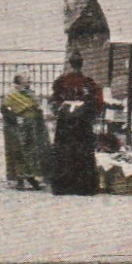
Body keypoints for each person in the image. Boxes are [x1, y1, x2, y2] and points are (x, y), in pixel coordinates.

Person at [49, 52, 103, 195]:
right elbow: (97, 103)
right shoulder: (88, 83)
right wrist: (87, 111)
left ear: (70, 64)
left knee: (64, 152)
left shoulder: (60, 81)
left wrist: (62, 110)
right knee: (82, 151)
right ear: (81, 64)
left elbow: (54, 101)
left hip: (65, 123)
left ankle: (63, 185)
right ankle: (83, 186)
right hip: (82, 123)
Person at [0, 74, 51, 190]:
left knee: (33, 152)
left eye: (29, 78)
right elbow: (5, 109)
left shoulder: (30, 93)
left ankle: (34, 177)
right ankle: (21, 178)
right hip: (19, 127)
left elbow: (37, 107)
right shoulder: (11, 94)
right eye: (26, 79)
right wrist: (15, 119)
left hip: (32, 126)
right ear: (18, 82)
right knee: (19, 152)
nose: (29, 80)